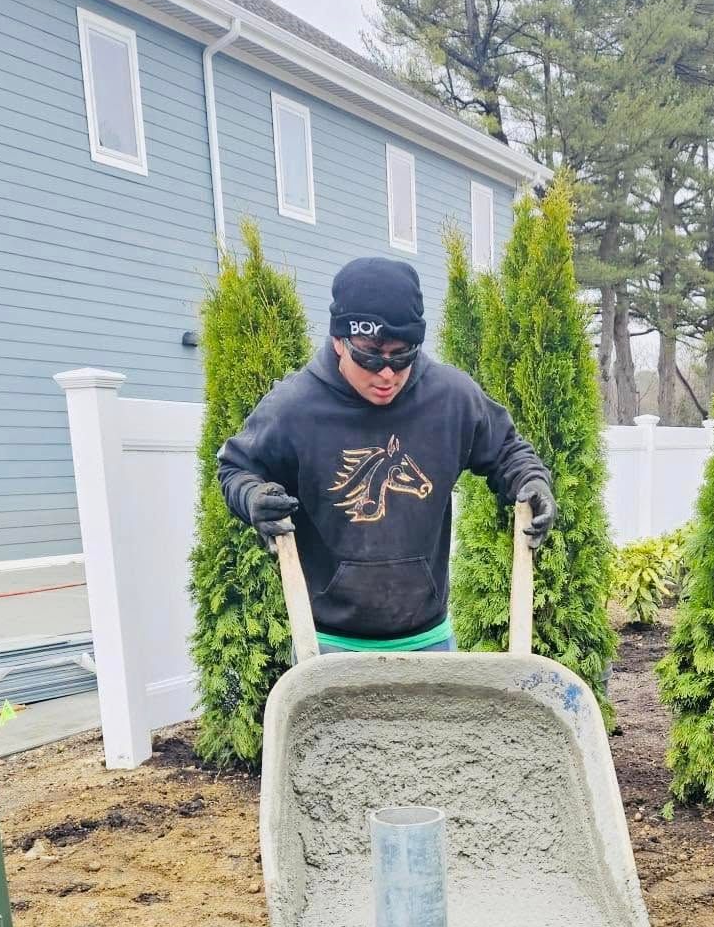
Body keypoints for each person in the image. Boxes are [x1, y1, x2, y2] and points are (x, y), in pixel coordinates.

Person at [217, 255, 557, 654]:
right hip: (328, 645)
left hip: (428, 640)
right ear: (339, 341)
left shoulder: (450, 398)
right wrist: (253, 498)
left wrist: (532, 481)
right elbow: (236, 468)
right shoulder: (294, 407)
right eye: (370, 355)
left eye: (402, 356)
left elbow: (507, 450)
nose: (387, 374)